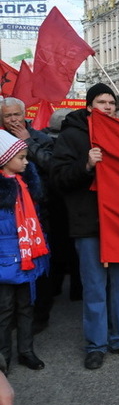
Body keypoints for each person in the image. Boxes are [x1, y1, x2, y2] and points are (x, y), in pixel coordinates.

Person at [51, 83, 119, 370]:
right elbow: (58, 178)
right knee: (94, 286)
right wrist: (86, 165)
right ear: (89, 106)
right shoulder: (71, 136)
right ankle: (96, 344)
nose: (107, 107)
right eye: (101, 102)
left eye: (111, 103)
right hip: (88, 221)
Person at [0, 131, 49, 372]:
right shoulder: (5, 192)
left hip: (27, 255)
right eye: (21, 157)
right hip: (5, 260)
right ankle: (3, 357)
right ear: (4, 159)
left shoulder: (26, 185)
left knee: (26, 306)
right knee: (4, 310)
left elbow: (35, 220)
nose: (26, 162)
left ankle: (26, 351)